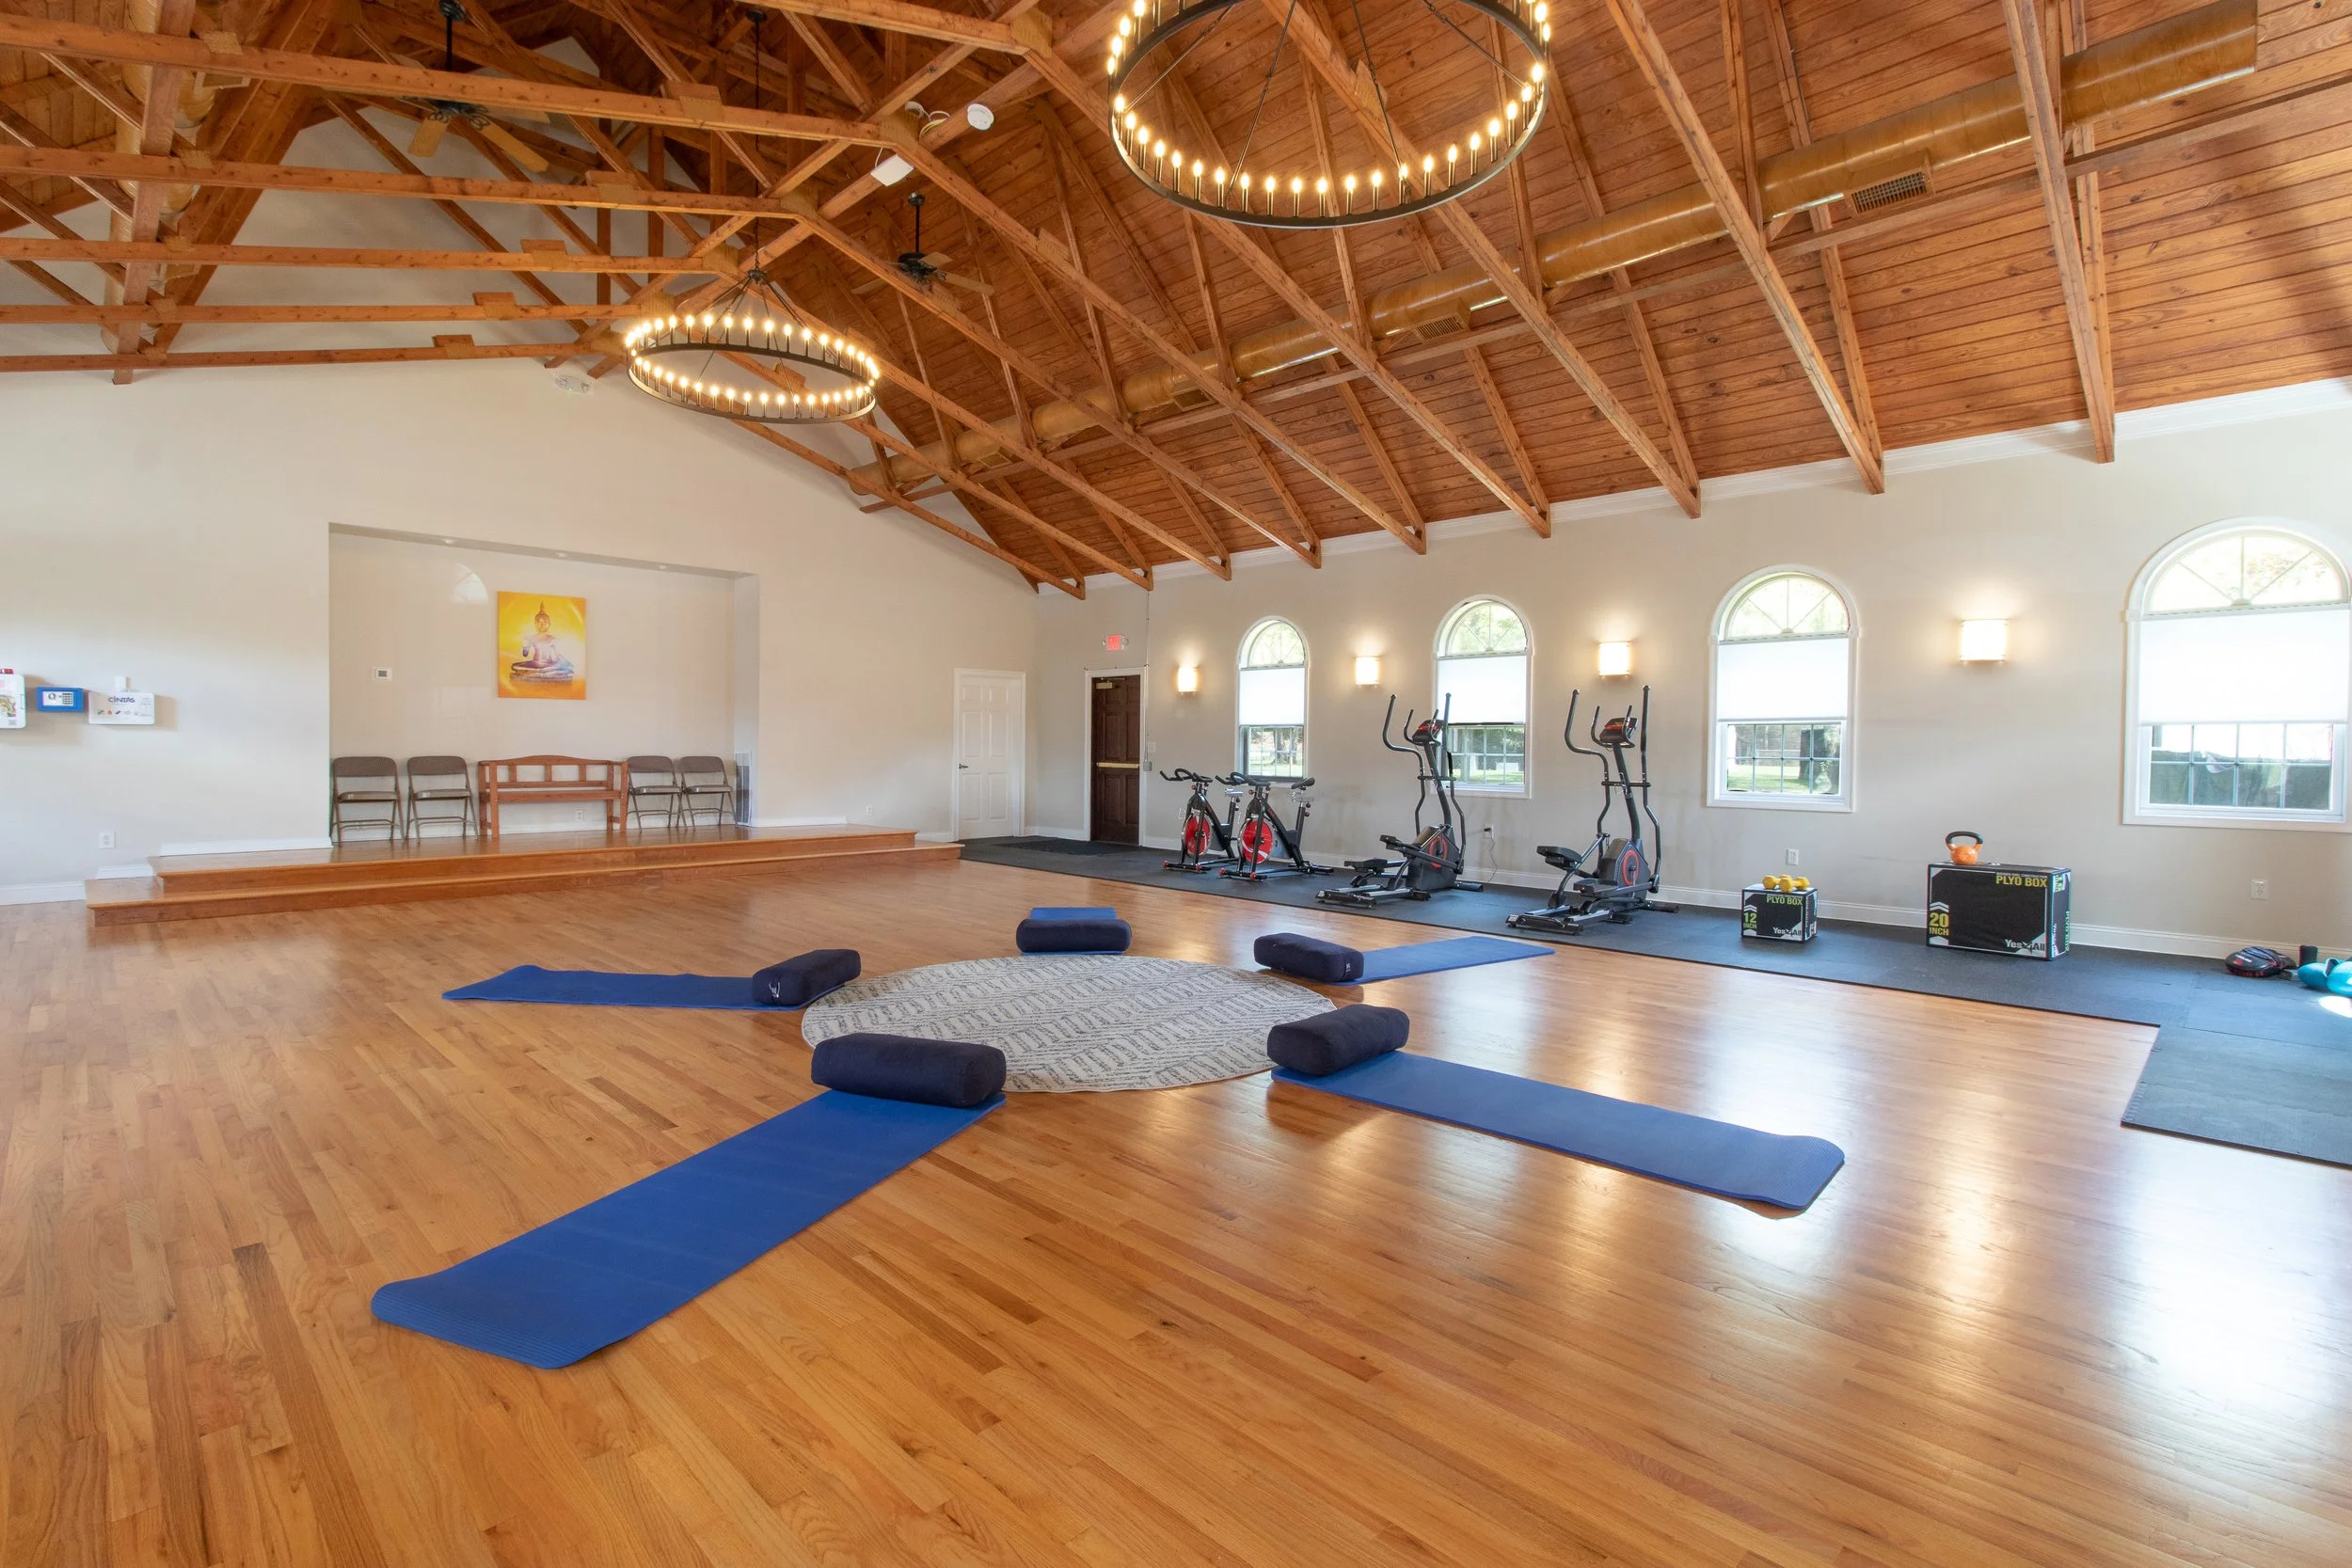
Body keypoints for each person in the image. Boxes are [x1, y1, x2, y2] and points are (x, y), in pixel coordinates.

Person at [510, 604, 575, 681]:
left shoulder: (552, 639)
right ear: (535, 623)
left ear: (549, 624)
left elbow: (555, 657)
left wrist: (565, 664)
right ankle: (541, 674)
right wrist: (525, 643)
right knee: (515, 666)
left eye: (544, 623)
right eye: (539, 623)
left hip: (549, 666)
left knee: (556, 668)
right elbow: (525, 654)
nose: (542, 625)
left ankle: (535, 673)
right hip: (535, 664)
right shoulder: (531, 638)